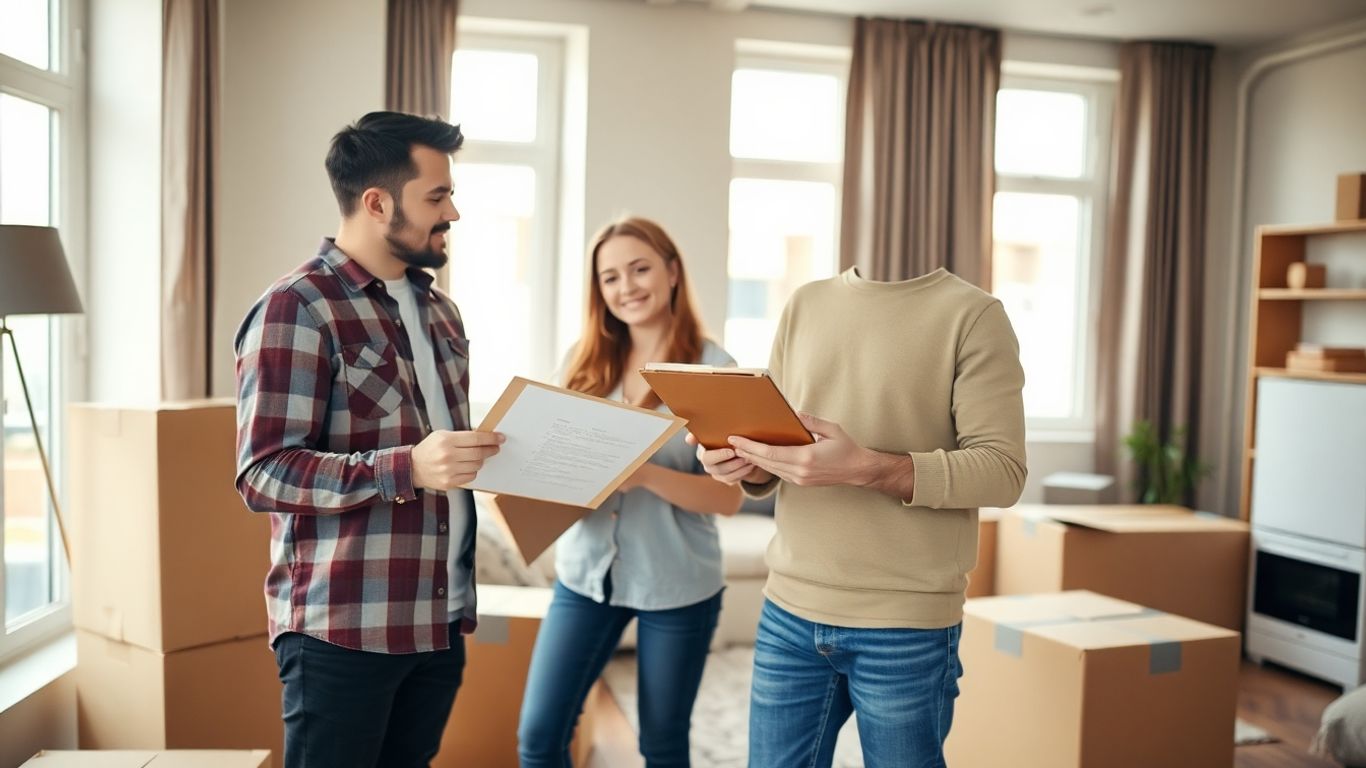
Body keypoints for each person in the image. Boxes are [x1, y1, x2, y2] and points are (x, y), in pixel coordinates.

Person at [234, 111, 503, 768]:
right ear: (378, 203)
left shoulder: (441, 312)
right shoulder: (297, 306)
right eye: (437, 197)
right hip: (343, 631)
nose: (453, 213)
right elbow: (264, 472)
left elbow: (443, 460)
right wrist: (406, 467)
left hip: (440, 619)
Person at [693, 266, 1027, 768]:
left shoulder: (974, 315)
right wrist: (745, 463)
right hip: (788, 610)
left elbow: (1003, 471)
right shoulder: (803, 303)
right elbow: (784, 441)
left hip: (905, 624)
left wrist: (867, 468)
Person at [517, 217, 743, 768]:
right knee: (538, 738)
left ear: (672, 271)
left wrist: (642, 475)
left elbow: (729, 499)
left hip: (678, 582)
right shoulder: (583, 359)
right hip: (585, 576)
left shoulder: (714, 368)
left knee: (662, 744)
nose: (627, 287)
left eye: (640, 269)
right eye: (611, 277)